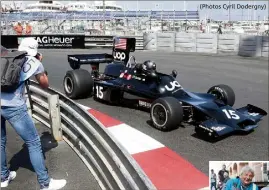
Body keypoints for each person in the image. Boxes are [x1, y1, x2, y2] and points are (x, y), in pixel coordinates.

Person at [1, 37, 67, 190]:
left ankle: (3, 177)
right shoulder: (34, 62)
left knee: (0, 142)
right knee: (33, 143)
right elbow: (45, 84)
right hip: (14, 107)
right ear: (35, 50)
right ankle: (45, 183)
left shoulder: (7, 55)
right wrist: (39, 63)